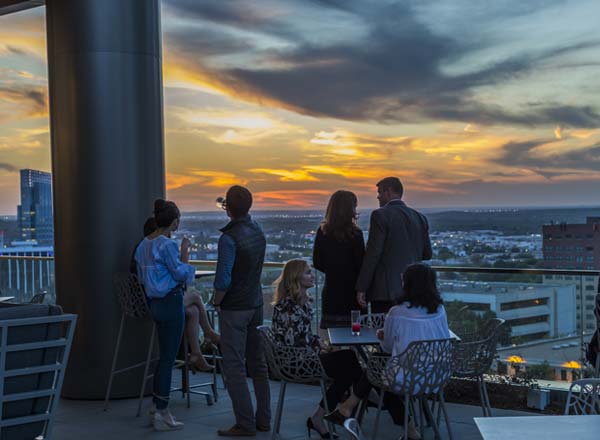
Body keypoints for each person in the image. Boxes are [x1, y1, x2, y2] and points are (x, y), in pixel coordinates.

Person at [326, 263, 450, 440]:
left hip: (409, 377)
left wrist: (381, 335)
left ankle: (349, 407)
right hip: (438, 374)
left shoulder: (397, 312)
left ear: (407, 284)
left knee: (377, 371)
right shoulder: (440, 309)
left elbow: (387, 348)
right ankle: (348, 408)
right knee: (377, 368)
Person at [271, 259, 364, 439]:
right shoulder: (288, 306)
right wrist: (318, 348)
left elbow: (303, 335)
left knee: (349, 365)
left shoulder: (303, 302)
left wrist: (320, 345)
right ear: (296, 277)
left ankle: (320, 417)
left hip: (304, 357)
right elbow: (294, 342)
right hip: (295, 362)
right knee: (350, 363)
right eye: (307, 272)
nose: (312, 276)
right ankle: (364, 398)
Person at [212, 185, 271, 437]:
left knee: (234, 367)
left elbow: (223, 279)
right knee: (258, 364)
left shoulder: (229, 238)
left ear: (228, 208)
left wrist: (216, 301)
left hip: (235, 307)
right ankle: (264, 419)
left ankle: (245, 423)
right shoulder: (257, 231)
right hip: (256, 304)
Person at [134, 199, 193, 431]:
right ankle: (162, 412)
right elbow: (179, 274)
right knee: (168, 359)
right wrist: (185, 253)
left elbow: (142, 277)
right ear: (175, 221)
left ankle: (157, 406)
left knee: (163, 358)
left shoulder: (143, 245)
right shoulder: (166, 245)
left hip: (155, 304)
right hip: (170, 301)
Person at [133, 216, 219, 372]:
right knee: (195, 296)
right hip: (161, 303)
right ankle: (209, 332)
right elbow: (182, 277)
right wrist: (184, 250)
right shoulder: (156, 251)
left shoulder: (143, 252)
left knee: (193, 312)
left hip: (154, 301)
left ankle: (196, 353)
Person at [356, 177, 432, 313]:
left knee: (383, 331)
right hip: (413, 290)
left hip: (385, 291)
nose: (378, 197)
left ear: (389, 191)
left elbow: (373, 254)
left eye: (379, 193)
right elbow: (427, 254)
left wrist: (362, 287)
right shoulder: (420, 217)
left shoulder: (380, 215)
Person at [313, 190, 365, 329]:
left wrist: (332, 269)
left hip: (332, 291)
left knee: (332, 335)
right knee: (356, 333)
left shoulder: (322, 232)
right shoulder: (356, 234)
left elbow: (317, 262)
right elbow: (361, 264)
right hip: (353, 294)